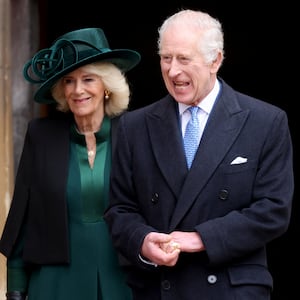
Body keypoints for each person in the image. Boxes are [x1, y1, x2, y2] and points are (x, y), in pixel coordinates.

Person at [103, 9, 294, 300]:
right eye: (166, 58)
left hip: (231, 289)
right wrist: (142, 241)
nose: (172, 70)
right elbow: (120, 210)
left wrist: (202, 238)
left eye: (184, 59)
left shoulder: (265, 122)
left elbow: (274, 210)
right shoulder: (134, 126)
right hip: (160, 287)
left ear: (215, 60)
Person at [0, 27, 140, 300]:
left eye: (88, 79)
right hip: (54, 283)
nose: (78, 90)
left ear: (107, 86)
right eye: (68, 81)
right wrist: (15, 287)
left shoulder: (135, 133)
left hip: (121, 280)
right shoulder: (41, 135)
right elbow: (22, 215)